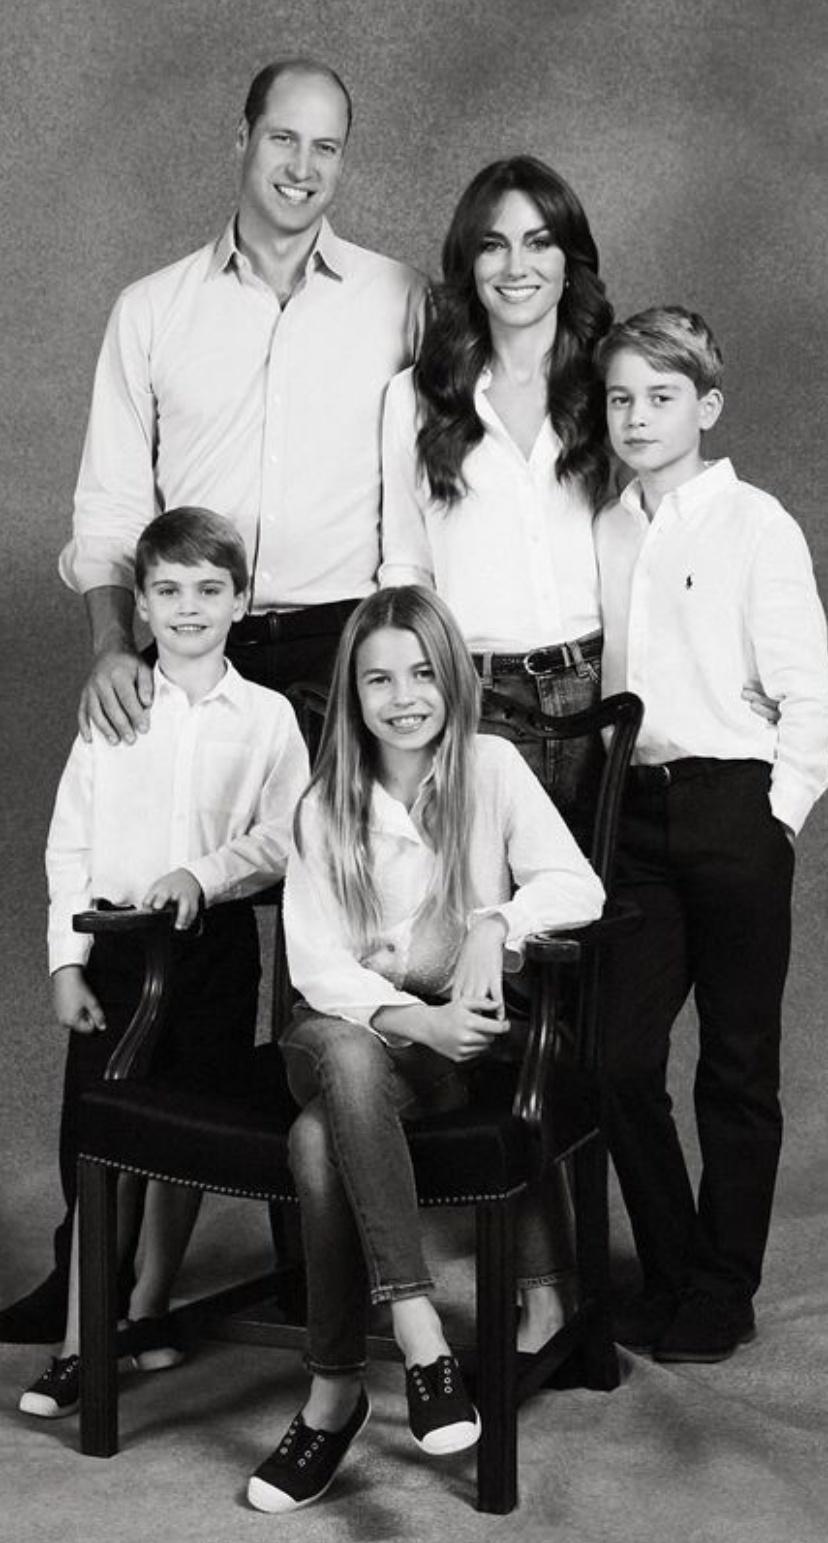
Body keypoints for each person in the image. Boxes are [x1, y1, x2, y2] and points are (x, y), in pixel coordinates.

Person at [0, 56, 424, 1344]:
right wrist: (111, 645)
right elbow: (107, 507)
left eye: (327, 147)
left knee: (326, 955)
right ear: (240, 139)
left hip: (340, 651)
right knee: (150, 938)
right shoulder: (153, 309)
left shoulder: (397, 300)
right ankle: (93, 1268)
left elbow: (433, 476)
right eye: (282, 139)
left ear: (345, 160)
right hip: (189, 644)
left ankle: (318, 1260)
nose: (303, 167)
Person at [245, 585, 605, 1513]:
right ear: (353, 692)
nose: (403, 697)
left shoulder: (492, 767)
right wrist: (424, 1022)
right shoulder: (325, 803)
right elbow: (318, 969)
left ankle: (332, 1398)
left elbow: (578, 884)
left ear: (451, 679)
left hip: (427, 1061)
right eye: (378, 679)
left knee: (317, 1143)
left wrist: (495, 920)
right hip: (331, 1036)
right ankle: (419, 1329)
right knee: (347, 1054)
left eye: (420, 674)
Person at [18, 508, 310, 1415]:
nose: (189, 607)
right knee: (99, 1142)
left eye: (210, 589)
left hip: (214, 949)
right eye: (169, 590)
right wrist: (65, 962)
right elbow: (69, 844)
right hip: (116, 951)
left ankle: (148, 1307)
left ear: (241, 600)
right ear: (140, 603)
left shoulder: (267, 717)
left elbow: (286, 834)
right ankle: (82, 1339)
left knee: (186, 1134)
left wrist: (208, 874)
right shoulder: (114, 706)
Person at [594, 307, 828, 1362]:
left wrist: (776, 820)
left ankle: (723, 1287)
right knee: (615, 1058)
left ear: (708, 407)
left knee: (735, 1065)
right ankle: (672, 1265)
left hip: (735, 807)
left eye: (661, 396)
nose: (638, 416)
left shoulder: (755, 523)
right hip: (635, 815)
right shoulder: (606, 526)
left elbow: (808, 690)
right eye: (620, 398)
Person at [380, 155, 613, 837]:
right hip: (475, 699)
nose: (516, 267)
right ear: (469, 263)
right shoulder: (415, 397)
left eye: (539, 243)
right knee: (483, 897)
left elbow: (663, 534)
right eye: (493, 245)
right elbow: (406, 565)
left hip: (605, 689)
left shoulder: (610, 385)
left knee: (602, 895)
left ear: (569, 261)